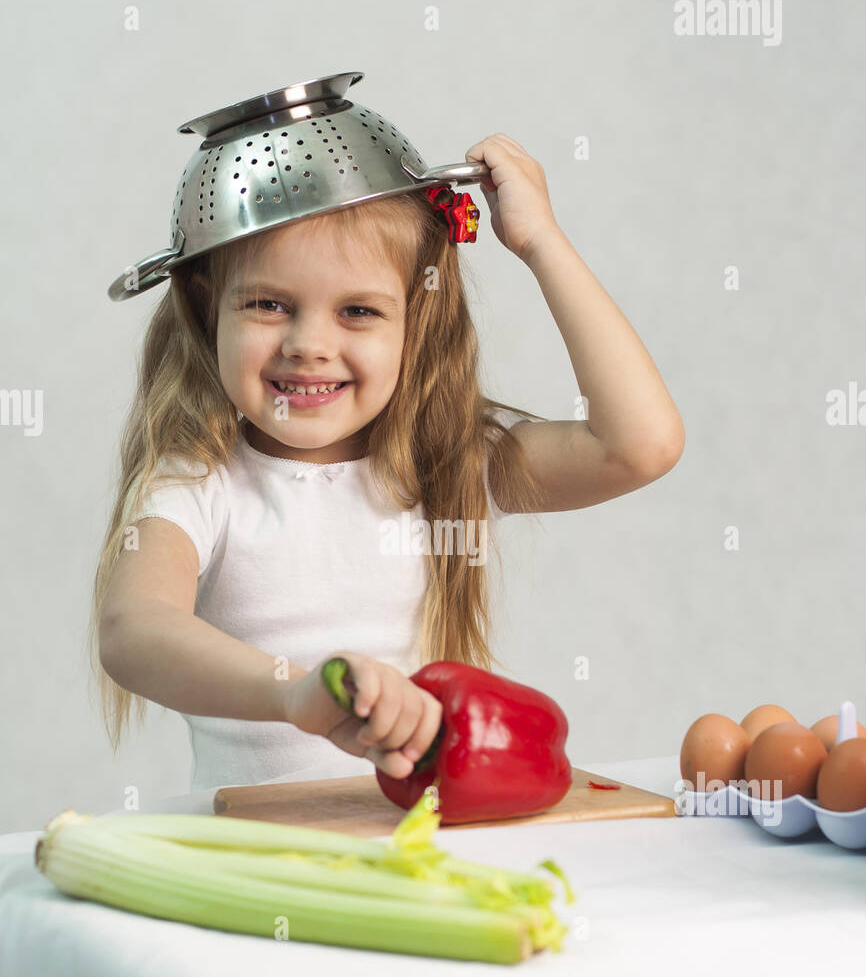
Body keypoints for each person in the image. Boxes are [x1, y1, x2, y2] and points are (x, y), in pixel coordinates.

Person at [90, 132, 685, 792]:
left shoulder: (449, 464)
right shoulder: (198, 483)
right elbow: (131, 628)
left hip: (410, 835)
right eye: (267, 304)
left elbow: (639, 445)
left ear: (416, 321)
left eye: (358, 311)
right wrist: (295, 693)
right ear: (208, 314)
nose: (309, 344)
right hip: (257, 853)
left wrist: (542, 242)